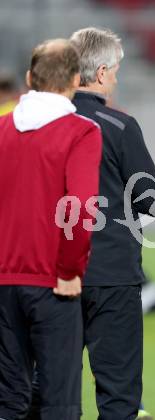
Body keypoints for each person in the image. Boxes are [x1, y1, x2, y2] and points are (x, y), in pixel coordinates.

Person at [26, 27, 155, 420]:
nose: (118, 78)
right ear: (104, 72)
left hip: (50, 275)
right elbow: (154, 202)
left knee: (47, 389)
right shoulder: (120, 126)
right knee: (118, 394)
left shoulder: (38, 127)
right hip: (112, 277)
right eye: (118, 70)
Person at [0, 39, 102, 420]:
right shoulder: (81, 132)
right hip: (52, 283)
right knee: (59, 401)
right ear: (77, 79)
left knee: (9, 401)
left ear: (29, 78)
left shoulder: (2, 129)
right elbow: (78, 209)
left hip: (4, 280)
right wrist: (70, 270)